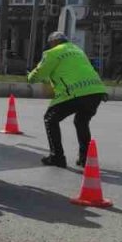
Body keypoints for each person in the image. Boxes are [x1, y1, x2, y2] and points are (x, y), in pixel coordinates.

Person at [27, 31, 107, 168]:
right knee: (81, 122)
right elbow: (72, 71)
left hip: (74, 93)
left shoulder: (52, 53)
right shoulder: (78, 51)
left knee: (50, 119)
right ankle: (85, 158)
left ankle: (57, 157)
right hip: (96, 91)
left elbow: (39, 73)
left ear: (53, 42)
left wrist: (30, 76)